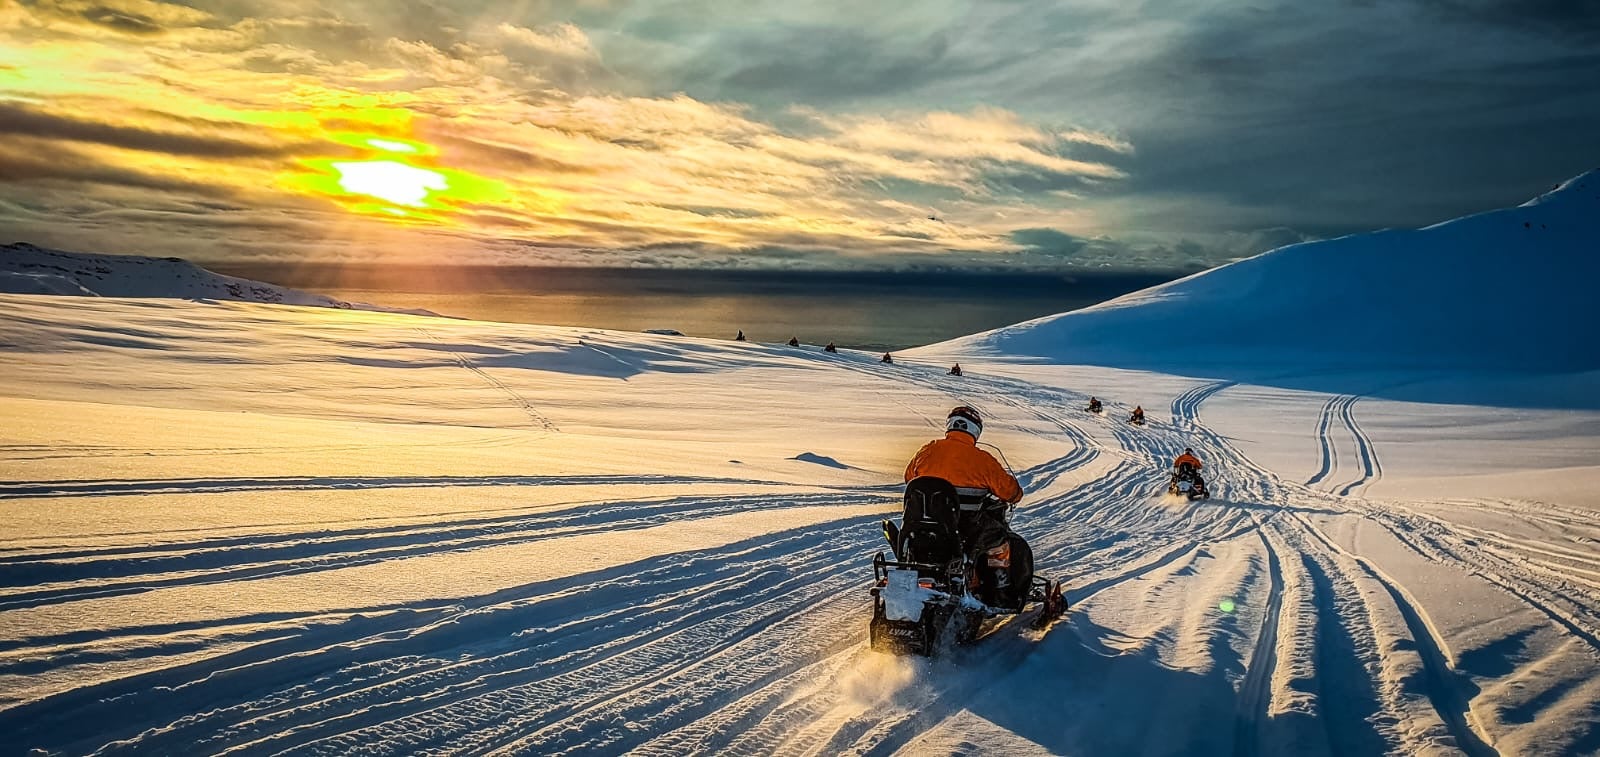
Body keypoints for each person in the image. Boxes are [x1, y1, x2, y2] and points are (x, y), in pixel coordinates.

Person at [904, 406, 1030, 608]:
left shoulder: (927, 451)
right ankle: (1000, 590)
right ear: (976, 430)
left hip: (924, 524)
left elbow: (909, 477)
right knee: (999, 538)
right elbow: (1010, 492)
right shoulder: (983, 460)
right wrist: (1013, 495)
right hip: (964, 527)